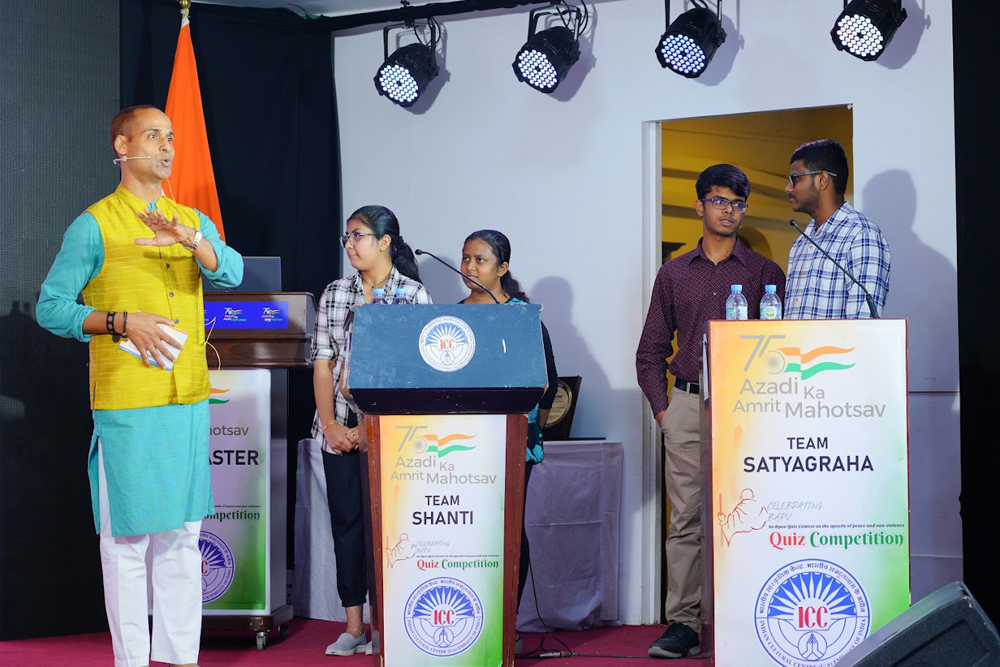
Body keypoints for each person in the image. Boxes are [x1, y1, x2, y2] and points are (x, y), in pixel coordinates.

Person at [36, 105, 244, 667]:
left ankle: (179, 659)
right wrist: (121, 321)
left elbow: (232, 271)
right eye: (154, 136)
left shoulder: (188, 217)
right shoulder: (94, 224)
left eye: (171, 138)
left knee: (181, 538)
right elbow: (51, 308)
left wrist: (192, 238)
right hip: (129, 402)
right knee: (127, 543)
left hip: (187, 399)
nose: (168, 147)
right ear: (122, 148)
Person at [635, 164, 785, 659]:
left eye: (738, 203)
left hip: (749, 409)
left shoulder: (764, 272)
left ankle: (746, 614)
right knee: (687, 522)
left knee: (753, 512)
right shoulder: (674, 271)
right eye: (719, 201)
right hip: (687, 405)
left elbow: (783, 345)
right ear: (700, 205)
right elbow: (651, 350)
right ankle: (683, 624)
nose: (729, 211)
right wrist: (664, 412)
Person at [311, 205, 431, 656]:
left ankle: (389, 626)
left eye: (357, 236)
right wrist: (331, 424)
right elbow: (322, 361)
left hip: (390, 434)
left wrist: (371, 428)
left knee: (390, 528)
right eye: (346, 236)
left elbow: (416, 373)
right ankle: (354, 626)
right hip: (336, 429)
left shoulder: (412, 295)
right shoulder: (335, 292)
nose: (349, 244)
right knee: (347, 524)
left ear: (384, 242)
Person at [459, 229, 559, 656]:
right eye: (465, 259)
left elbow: (548, 383)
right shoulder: (452, 316)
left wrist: (522, 418)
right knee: (468, 530)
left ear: (502, 268)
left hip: (514, 441)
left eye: (480, 260)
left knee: (505, 529)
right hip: (462, 442)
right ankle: (470, 618)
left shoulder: (523, 316)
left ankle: (506, 622)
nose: (469, 267)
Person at [784, 139, 890, 319]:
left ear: (822, 180)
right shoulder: (801, 242)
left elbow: (862, 324)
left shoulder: (861, 235)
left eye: (796, 179)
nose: (788, 188)